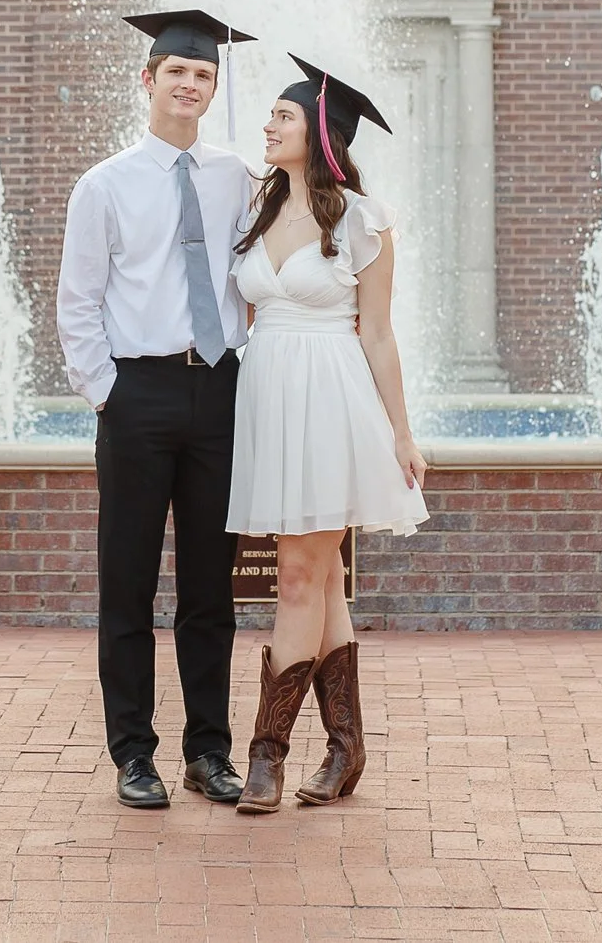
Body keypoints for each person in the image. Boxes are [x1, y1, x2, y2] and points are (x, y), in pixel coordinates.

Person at [56, 9, 255, 809]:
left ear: (211, 88)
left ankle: (209, 752)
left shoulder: (237, 177)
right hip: (137, 395)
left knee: (213, 590)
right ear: (148, 80)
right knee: (128, 584)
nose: (189, 83)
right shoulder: (103, 186)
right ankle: (132, 755)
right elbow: (78, 304)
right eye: (177, 71)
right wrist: (109, 393)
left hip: (219, 391)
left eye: (203, 74)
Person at [224, 56, 428, 813]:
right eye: (272, 113)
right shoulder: (254, 207)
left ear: (319, 132)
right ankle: (345, 748)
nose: (268, 125)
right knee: (323, 586)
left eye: (283, 115)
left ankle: (266, 756)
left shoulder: (363, 220)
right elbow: (244, 315)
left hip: (333, 397)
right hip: (270, 396)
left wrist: (401, 434)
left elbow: (377, 335)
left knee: (302, 576)